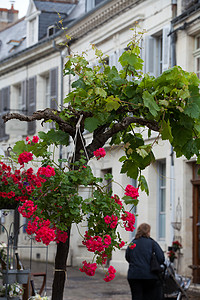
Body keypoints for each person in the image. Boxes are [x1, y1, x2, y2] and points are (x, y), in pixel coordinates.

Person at [125, 223, 165, 300]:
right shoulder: (152, 243)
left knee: (136, 297)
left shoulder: (132, 243)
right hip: (149, 276)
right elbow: (161, 258)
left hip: (134, 275)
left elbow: (127, 257)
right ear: (148, 232)